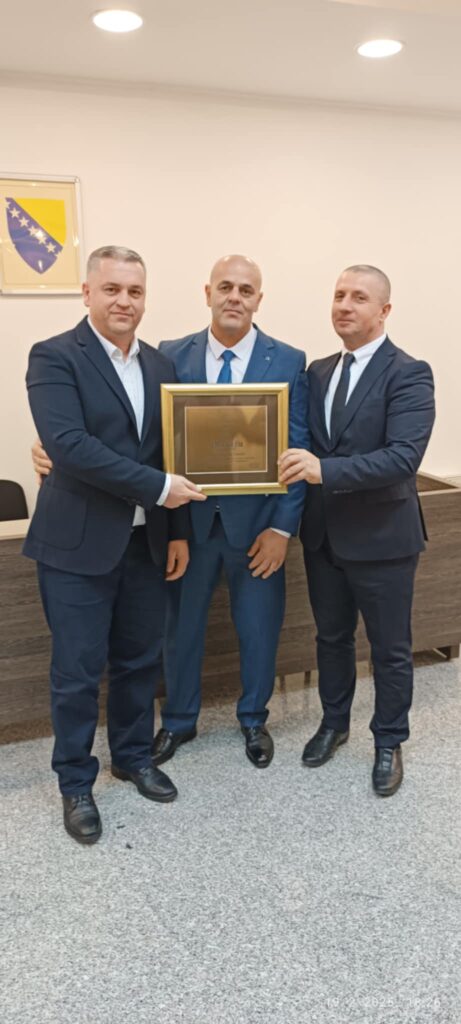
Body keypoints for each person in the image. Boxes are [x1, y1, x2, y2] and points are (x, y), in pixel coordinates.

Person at [24, 245, 205, 844]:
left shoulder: (161, 365)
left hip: (146, 543)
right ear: (87, 293)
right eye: (112, 289)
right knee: (76, 672)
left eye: (135, 291)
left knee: (138, 661)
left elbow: (173, 454)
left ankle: (132, 757)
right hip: (77, 547)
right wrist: (158, 488)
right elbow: (69, 446)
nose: (124, 301)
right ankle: (76, 783)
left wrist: (177, 532)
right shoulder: (54, 356)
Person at [279, 264, 435, 796]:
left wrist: (325, 471)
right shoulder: (317, 371)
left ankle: (389, 740)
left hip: (383, 539)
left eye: (359, 297)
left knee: (389, 648)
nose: (344, 305)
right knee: (331, 638)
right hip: (323, 536)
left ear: (384, 310)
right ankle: (334, 723)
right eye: (339, 294)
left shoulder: (409, 373)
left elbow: (402, 458)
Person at [151, 254, 309, 769]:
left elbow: (298, 449)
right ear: (208, 293)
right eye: (225, 287)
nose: (234, 297)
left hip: (259, 527)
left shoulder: (289, 360)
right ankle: (178, 721)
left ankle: (254, 719)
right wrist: (173, 530)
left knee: (259, 629)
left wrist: (282, 528)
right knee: (181, 630)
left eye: (245, 289)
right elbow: (158, 444)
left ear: (259, 299)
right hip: (190, 527)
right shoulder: (170, 355)